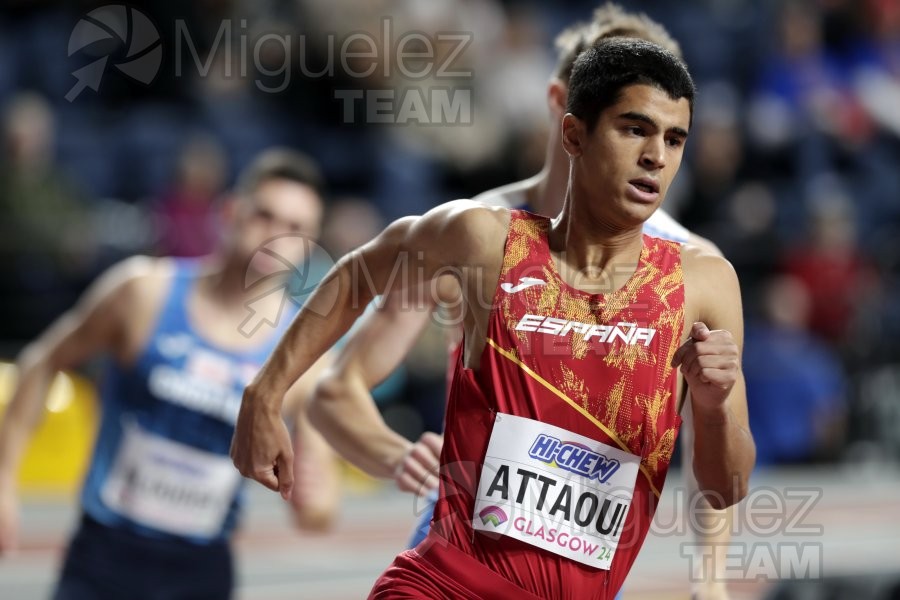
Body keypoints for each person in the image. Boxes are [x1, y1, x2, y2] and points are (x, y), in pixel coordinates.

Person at [232, 38, 755, 599]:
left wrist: (713, 403)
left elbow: (726, 487)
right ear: (573, 134)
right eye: (635, 130)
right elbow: (359, 273)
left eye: (674, 140)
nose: (657, 156)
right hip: (440, 587)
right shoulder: (485, 240)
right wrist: (264, 394)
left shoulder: (703, 284)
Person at [0, 149, 340, 598]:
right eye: (264, 215)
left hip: (200, 571)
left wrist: (312, 498)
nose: (276, 236)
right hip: (104, 556)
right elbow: (43, 361)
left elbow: (320, 507)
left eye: (296, 228)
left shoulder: (304, 357)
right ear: (230, 212)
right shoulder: (144, 293)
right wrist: (4, 478)